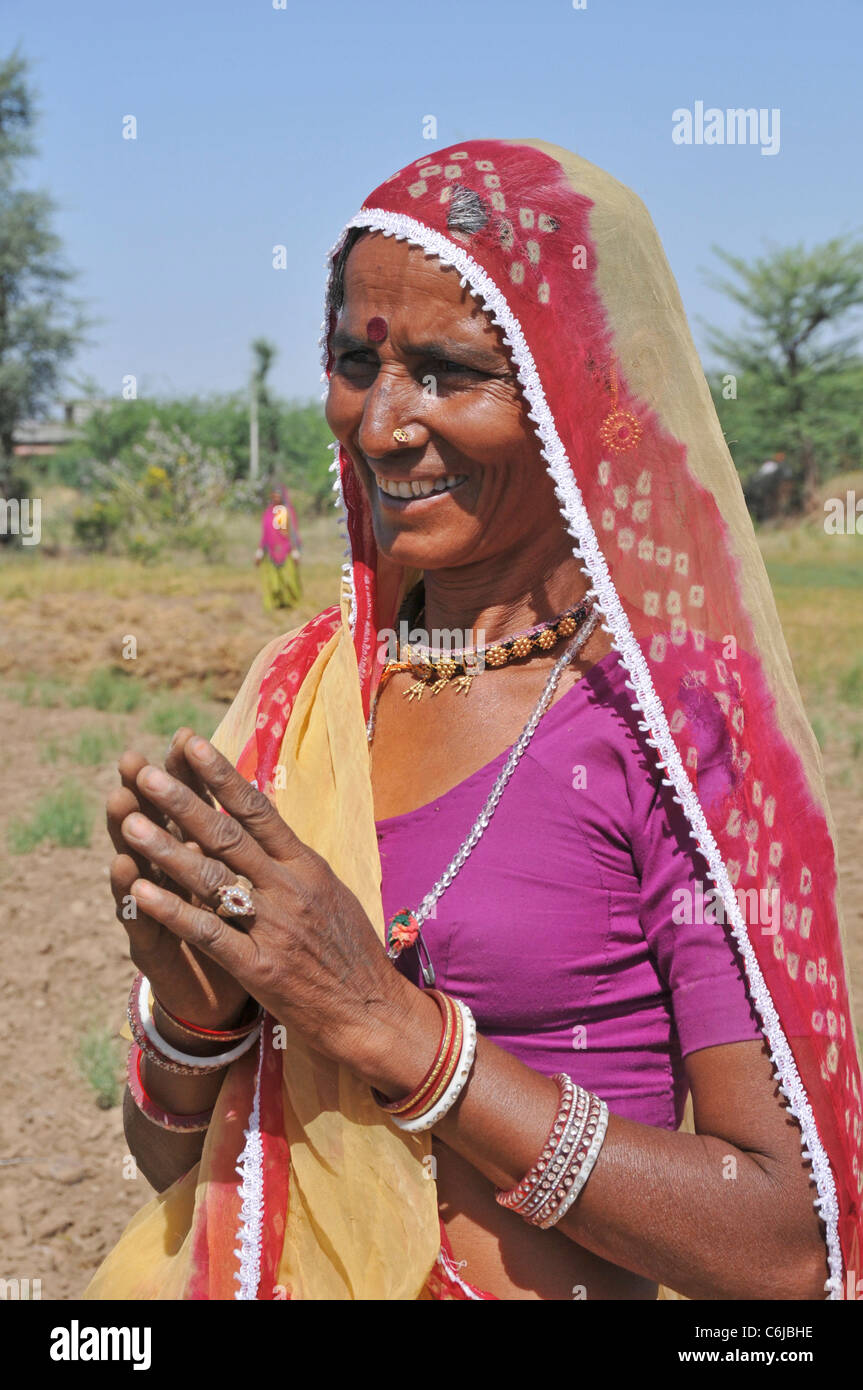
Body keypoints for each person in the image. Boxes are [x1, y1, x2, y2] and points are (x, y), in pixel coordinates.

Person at [85, 139, 862, 1301]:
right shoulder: (310, 696)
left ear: (571, 388)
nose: (384, 423)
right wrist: (196, 1026)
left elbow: (788, 1251)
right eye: (359, 361)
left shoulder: (670, 730)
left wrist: (399, 1034)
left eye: (449, 372)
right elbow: (178, 1172)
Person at [255, 484, 302, 610]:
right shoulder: (268, 513)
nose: (276, 498)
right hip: (270, 551)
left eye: (278, 495)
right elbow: (265, 533)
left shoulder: (288, 511)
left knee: (288, 579)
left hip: (286, 550)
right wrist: (259, 552)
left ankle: (291, 604)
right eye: (273, 495)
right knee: (273, 581)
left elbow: (293, 532)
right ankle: (275, 604)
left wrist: (295, 551)